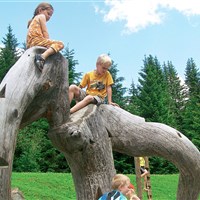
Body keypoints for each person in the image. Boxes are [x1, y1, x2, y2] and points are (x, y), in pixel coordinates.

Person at [26, 2, 64, 72]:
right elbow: (45, 31)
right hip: (37, 40)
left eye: (51, 16)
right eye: (48, 14)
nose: (49, 17)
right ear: (40, 10)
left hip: (30, 44)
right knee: (60, 44)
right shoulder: (41, 16)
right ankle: (42, 57)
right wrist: (48, 44)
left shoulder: (33, 20)